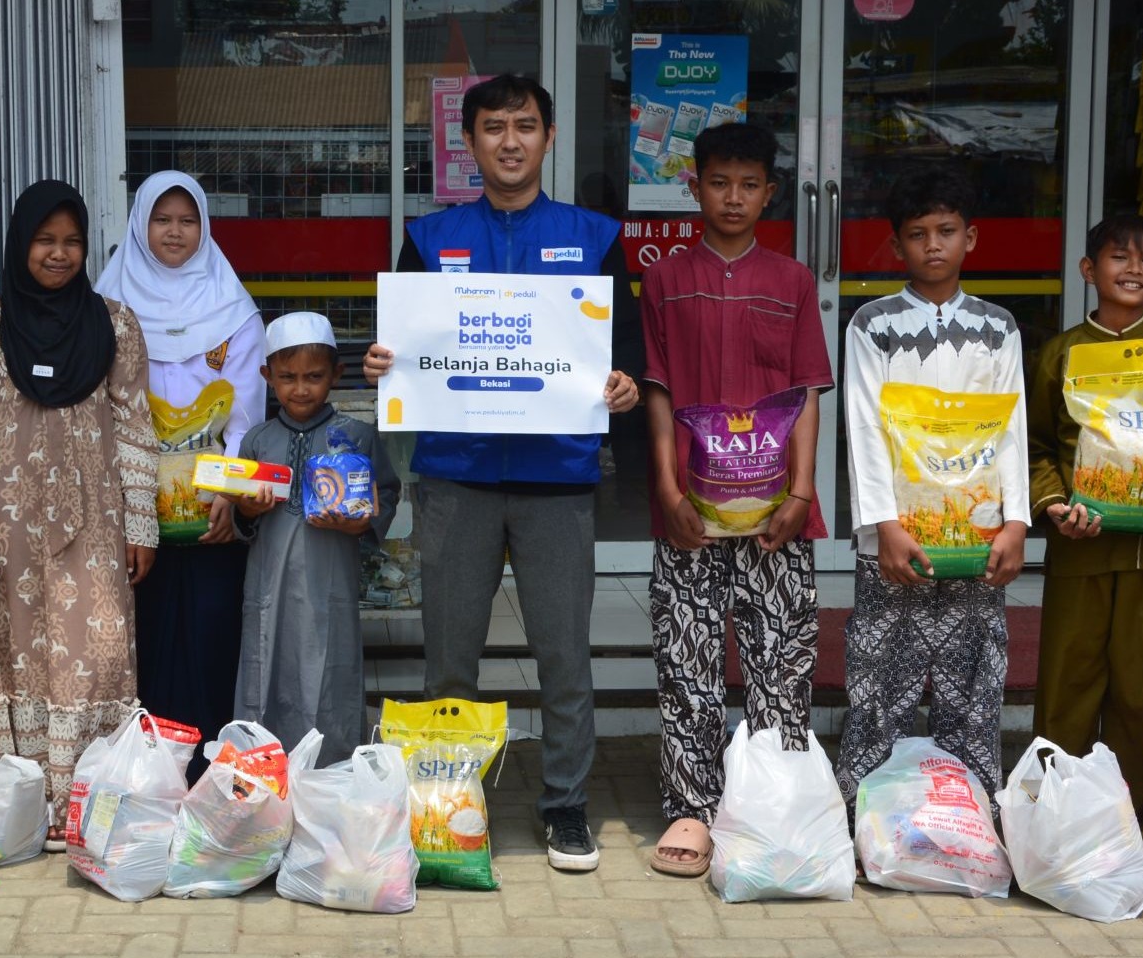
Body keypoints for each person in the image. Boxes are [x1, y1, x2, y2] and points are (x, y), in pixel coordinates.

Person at [363, 73, 642, 873]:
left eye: (525, 125)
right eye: (494, 127)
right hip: (456, 476)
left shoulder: (594, 236)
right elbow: (399, 350)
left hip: (559, 478)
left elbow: (625, 353)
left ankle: (564, 808)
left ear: (549, 138)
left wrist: (621, 382)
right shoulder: (429, 235)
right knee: (449, 657)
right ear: (470, 142)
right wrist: (386, 360)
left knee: (564, 652)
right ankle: (451, 805)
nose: (510, 140)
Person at [637, 122, 832, 877]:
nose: (733, 197)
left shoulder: (791, 280)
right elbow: (657, 388)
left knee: (780, 656)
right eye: (719, 182)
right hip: (691, 507)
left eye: (749, 185)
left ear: (770, 194)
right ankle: (691, 806)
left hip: (777, 510)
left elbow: (807, 393)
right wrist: (664, 482)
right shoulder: (664, 279)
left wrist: (804, 489)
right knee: (685, 657)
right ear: (695, 185)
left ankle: (772, 802)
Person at [0, 180, 159, 847]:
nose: (59, 254)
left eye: (71, 242)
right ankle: (24, 810)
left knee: (96, 652)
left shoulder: (115, 324)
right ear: (20, 244)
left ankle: (89, 804)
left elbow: (134, 428)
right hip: (9, 531)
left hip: (96, 525)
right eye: (45, 240)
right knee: (18, 658)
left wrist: (141, 524)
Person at [837, 167, 1029, 805]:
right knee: (876, 683)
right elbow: (863, 429)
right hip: (895, 541)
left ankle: (971, 820)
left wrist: (1016, 523)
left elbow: (1012, 431)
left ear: (971, 238)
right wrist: (883, 526)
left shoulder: (998, 328)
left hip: (976, 539)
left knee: (972, 689)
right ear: (897, 247)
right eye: (917, 235)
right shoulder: (873, 324)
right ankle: (864, 819)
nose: (934, 245)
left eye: (947, 231)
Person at [1029, 214, 1143, 821]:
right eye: (1118, 257)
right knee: (1066, 689)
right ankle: (1055, 825)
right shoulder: (1060, 354)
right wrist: (1054, 505)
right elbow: (1034, 450)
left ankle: (1138, 829)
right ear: (1089, 269)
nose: (1133, 269)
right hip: (1080, 548)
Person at [98, 170, 265, 769]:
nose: (175, 232)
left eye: (187, 220)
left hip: (213, 515)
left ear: (205, 226)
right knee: (142, 639)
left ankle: (208, 775)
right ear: (140, 225)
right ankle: (145, 777)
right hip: (133, 511)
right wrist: (129, 503)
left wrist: (230, 494)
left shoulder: (234, 308)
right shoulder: (107, 306)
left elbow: (246, 412)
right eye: (162, 219)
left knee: (213, 634)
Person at [233, 312, 399, 763]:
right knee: (265, 667)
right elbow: (240, 518)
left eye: (313, 377)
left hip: (330, 585)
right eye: (287, 377)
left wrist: (360, 522)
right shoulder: (257, 441)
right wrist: (246, 510)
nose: (300, 389)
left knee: (331, 672)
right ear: (267, 376)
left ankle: (332, 777)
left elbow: (384, 493)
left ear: (336, 376)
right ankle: (266, 777)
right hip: (269, 586)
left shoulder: (357, 436)